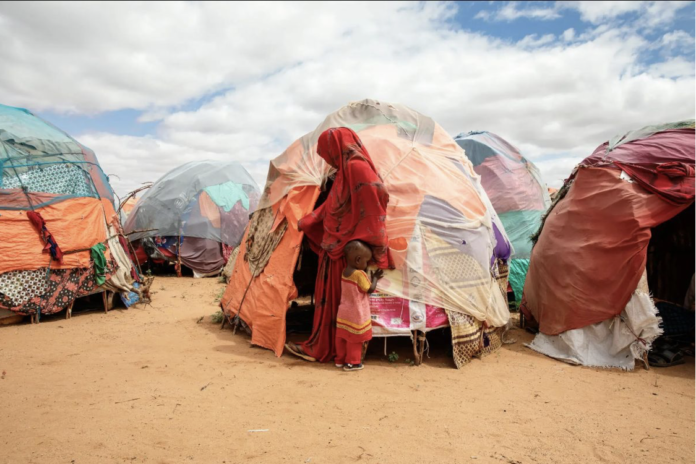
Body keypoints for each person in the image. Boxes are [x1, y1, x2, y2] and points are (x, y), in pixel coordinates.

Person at [285, 127, 392, 363]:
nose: (327, 160)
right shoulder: (346, 170)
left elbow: (377, 194)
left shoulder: (356, 167)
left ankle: (328, 348)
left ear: (336, 148)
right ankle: (333, 348)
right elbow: (332, 204)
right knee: (337, 302)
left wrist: (361, 236)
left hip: (346, 251)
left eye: (327, 153)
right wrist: (310, 221)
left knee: (340, 303)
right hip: (336, 246)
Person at [335, 241, 383, 371]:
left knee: (343, 336)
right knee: (354, 339)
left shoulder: (344, 272)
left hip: (343, 311)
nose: (366, 265)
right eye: (366, 261)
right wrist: (375, 279)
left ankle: (339, 360)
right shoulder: (359, 274)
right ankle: (352, 363)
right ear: (358, 260)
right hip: (356, 313)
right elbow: (369, 289)